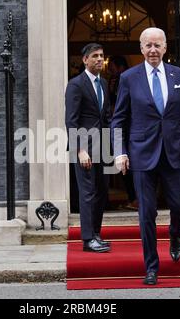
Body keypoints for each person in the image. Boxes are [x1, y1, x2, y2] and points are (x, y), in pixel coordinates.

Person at [111, 28, 180, 285]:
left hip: (174, 154)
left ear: (164, 48)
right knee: (146, 213)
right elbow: (119, 119)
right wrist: (120, 152)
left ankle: (174, 234)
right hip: (141, 155)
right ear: (141, 48)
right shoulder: (129, 78)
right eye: (148, 45)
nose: (152, 50)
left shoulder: (178, 75)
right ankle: (151, 266)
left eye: (157, 45)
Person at [65, 43, 112, 253]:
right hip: (85, 148)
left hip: (103, 147)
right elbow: (71, 120)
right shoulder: (76, 85)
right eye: (95, 56)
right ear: (85, 60)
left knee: (101, 192)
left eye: (102, 56)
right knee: (87, 193)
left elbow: (108, 117)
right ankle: (87, 239)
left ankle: (96, 234)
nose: (100, 59)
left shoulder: (104, 84)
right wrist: (79, 149)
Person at [107, 56, 138, 211]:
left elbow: (117, 105)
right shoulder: (115, 80)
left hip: (128, 129)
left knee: (129, 168)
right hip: (120, 129)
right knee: (124, 166)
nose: (109, 70)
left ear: (120, 67)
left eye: (111, 67)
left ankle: (135, 199)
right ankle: (134, 198)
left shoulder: (125, 79)